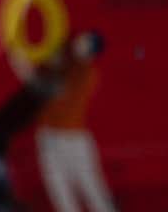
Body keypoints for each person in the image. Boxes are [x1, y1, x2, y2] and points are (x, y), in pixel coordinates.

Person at [33, 31, 121, 212]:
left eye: (84, 42)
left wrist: (44, 66)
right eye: (81, 39)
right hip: (48, 136)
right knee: (59, 191)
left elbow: (56, 90)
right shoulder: (66, 62)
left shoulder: (87, 73)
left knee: (91, 188)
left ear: (91, 52)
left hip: (72, 138)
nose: (78, 42)